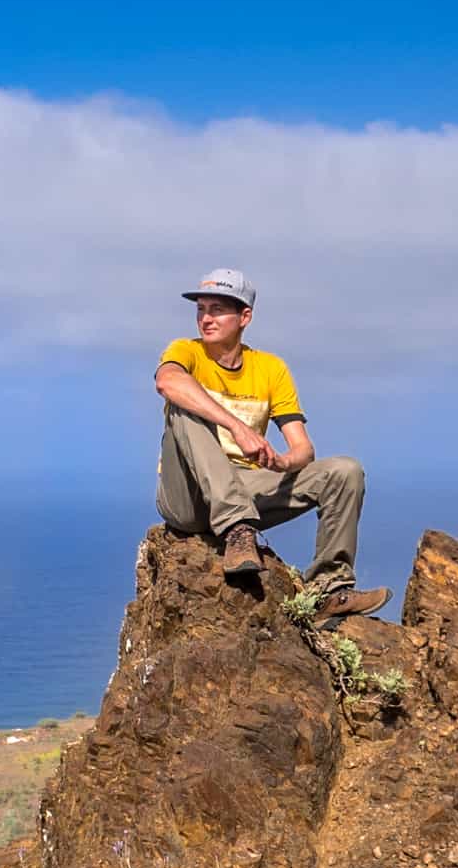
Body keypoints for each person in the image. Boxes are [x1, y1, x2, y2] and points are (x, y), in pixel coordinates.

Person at [152, 268, 391, 628]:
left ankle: (329, 588)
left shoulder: (270, 369)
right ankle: (237, 530)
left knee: (345, 471)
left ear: (244, 316)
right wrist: (236, 427)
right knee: (187, 404)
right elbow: (167, 382)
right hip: (187, 497)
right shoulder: (186, 352)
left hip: (244, 486)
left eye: (217, 309)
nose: (206, 318)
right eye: (201, 309)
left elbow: (303, 449)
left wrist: (282, 462)